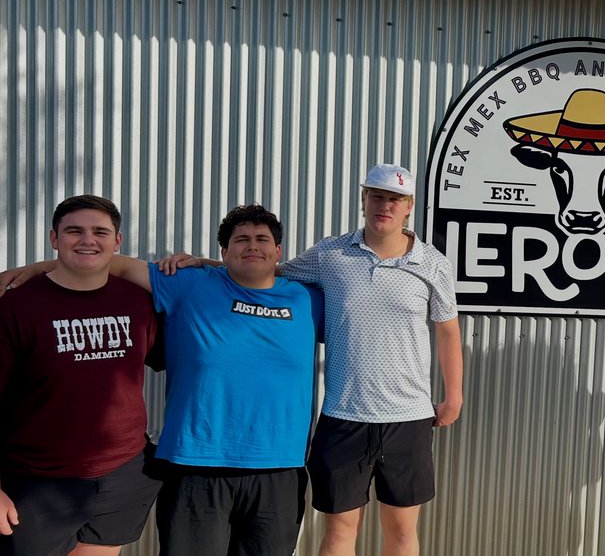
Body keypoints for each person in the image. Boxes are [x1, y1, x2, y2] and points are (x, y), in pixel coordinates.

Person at [2, 204, 322, 555]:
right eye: (241, 239)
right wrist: (34, 270)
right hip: (196, 463)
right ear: (224, 251)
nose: (252, 246)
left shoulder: (307, 298)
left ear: (278, 252)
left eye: (262, 240)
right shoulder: (190, 284)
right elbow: (112, 262)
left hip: (279, 466)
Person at [277, 164, 462, 556]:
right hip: (345, 414)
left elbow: (448, 330)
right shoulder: (331, 254)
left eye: (395, 199)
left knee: (400, 532)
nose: (384, 206)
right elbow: (267, 273)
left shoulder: (432, 264)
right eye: (376, 196)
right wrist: (206, 267)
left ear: (409, 206)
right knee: (341, 531)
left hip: (409, 416)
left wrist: (454, 395)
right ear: (364, 200)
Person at [0, 195, 161, 556]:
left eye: (100, 232)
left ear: (116, 242)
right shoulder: (16, 307)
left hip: (123, 473)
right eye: (74, 231)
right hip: (38, 482)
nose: (88, 240)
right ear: (54, 238)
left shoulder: (138, 302)